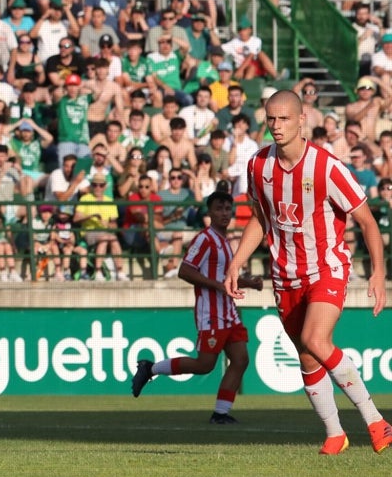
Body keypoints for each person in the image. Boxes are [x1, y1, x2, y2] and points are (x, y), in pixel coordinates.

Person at [224, 90, 392, 455]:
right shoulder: (258, 166)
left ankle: (376, 420)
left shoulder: (328, 167)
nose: (276, 126)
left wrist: (378, 273)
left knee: (317, 340)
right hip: (285, 276)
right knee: (307, 356)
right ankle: (335, 433)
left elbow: (366, 221)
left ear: (302, 120)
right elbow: (259, 218)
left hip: (326, 268)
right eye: (271, 119)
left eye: (284, 119)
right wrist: (237, 261)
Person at [132, 188, 262, 420]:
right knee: (205, 365)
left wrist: (249, 283)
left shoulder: (224, 241)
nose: (224, 213)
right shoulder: (204, 238)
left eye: (227, 208)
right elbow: (185, 270)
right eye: (219, 208)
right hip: (211, 312)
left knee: (241, 359)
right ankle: (150, 368)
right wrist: (216, 285)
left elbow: (225, 277)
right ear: (209, 212)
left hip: (229, 312)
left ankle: (221, 413)